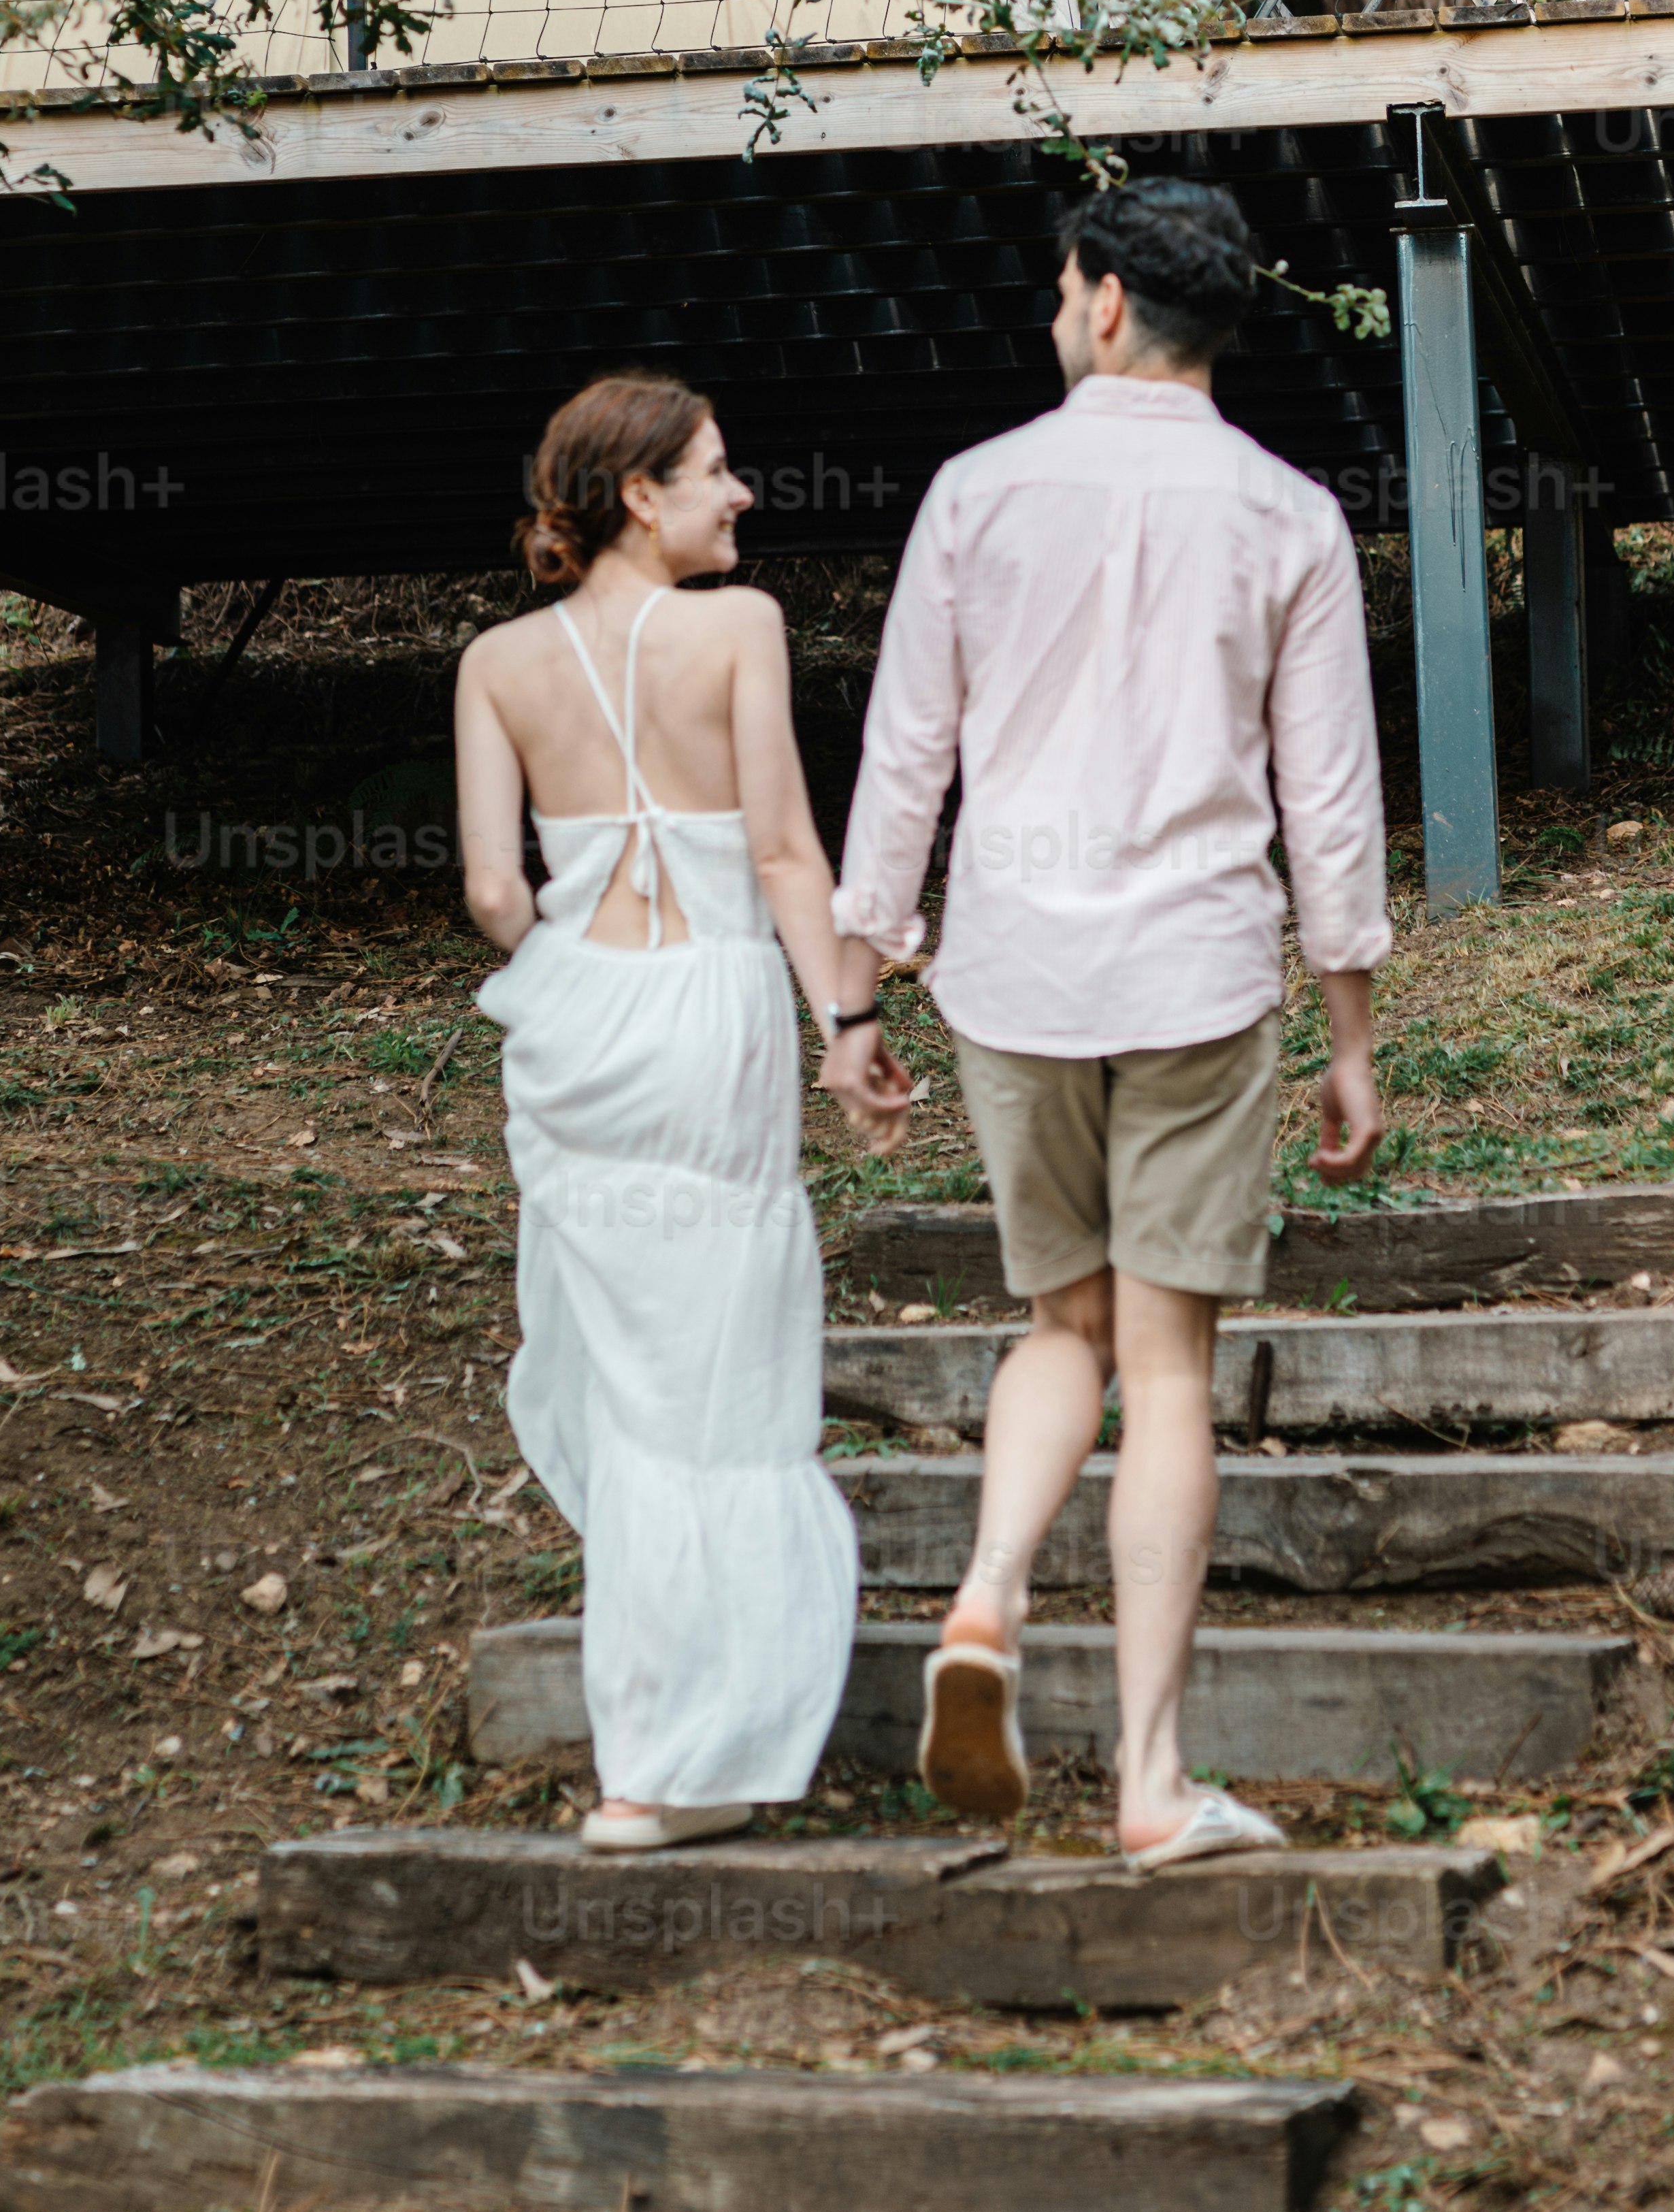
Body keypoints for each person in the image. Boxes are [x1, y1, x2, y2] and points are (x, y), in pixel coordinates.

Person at [822, 174, 1389, 1869]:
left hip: (1016, 975)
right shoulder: (1288, 515)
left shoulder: (975, 492)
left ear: (1108, 301)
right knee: (1167, 1368)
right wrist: (1350, 1029)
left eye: (1060, 289)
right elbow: (1330, 799)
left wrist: (856, 987)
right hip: (1194, 975)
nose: (1052, 312)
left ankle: (987, 1598)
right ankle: (1147, 1780)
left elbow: (905, 754)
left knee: (1059, 1330)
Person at [456, 372, 881, 1853]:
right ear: (639, 495)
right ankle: (700, 1754)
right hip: (711, 1016)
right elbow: (782, 853)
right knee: (724, 1389)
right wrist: (847, 1023)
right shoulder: (741, 627)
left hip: (578, 1027)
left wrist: (574, 976)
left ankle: (642, 1770)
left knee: (636, 1399)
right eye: (716, 470)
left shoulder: (496, 662)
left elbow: (494, 892)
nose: (741, 492)